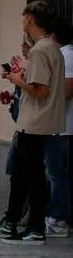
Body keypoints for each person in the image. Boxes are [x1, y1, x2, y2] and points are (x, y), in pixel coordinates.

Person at [0, 1, 67, 244]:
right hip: (37, 121)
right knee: (22, 173)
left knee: (32, 175)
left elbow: (40, 90)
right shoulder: (51, 48)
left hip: (36, 121)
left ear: (31, 19)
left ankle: (34, 228)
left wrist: (15, 80)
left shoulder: (41, 50)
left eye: (24, 17)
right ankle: (11, 222)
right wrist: (20, 75)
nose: (22, 21)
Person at [45, 18, 73, 238]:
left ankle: (59, 220)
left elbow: (68, 90)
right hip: (60, 126)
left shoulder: (65, 55)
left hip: (63, 128)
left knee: (58, 175)